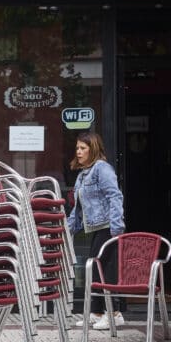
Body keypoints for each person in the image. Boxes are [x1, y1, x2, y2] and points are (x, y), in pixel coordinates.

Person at [67, 132, 126, 330]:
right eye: (77, 148)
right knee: (95, 269)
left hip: (108, 226)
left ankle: (114, 314)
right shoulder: (84, 173)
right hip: (96, 227)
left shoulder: (102, 168)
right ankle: (97, 312)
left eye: (83, 148)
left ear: (93, 149)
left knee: (102, 270)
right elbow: (78, 207)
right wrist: (69, 229)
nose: (79, 151)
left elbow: (115, 196)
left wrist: (117, 227)